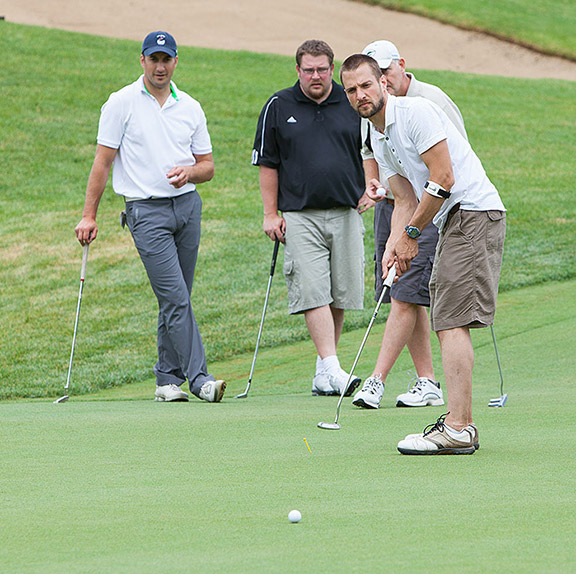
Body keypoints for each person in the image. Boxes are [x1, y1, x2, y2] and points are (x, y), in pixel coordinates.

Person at [340, 54, 506, 455]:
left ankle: (459, 427)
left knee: (450, 319)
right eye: (351, 90)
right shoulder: (376, 136)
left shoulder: (415, 113)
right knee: (446, 317)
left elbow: (444, 177)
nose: (360, 95)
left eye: (366, 85)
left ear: (383, 82)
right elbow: (403, 198)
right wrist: (394, 246)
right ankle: (458, 423)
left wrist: (412, 234)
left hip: (473, 212)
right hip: (453, 219)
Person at [75, 31, 226, 404]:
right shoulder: (121, 102)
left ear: (176, 62)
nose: (160, 66)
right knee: (176, 296)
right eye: (153, 59)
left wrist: (188, 173)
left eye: (166, 59)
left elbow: (207, 166)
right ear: (142, 60)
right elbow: (103, 162)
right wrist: (88, 216)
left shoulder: (189, 106)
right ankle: (200, 378)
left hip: (187, 207)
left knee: (176, 297)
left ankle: (165, 379)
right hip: (145, 211)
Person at [352, 40, 467, 410]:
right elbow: (371, 154)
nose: (378, 81)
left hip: (433, 206)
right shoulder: (370, 114)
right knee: (404, 290)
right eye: (356, 86)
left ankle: (376, 379)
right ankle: (426, 380)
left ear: (398, 67)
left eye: (382, 73)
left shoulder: (427, 101)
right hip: (398, 205)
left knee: (405, 292)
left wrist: (412, 231)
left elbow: (451, 161)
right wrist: (375, 183)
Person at [252, 39, 369, 396]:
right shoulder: (278, 104)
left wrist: (369, 187)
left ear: (331, 69)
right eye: (308, 70)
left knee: (339, 292)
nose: (316, 76)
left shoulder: (350, 101)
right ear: (298, 70)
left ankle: (324, 371)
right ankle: (334, 369)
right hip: (299, 214)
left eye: (322, 69)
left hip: (346, 210)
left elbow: (370, 148)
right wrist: (270, 213)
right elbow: (267, 162)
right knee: (313, 290)